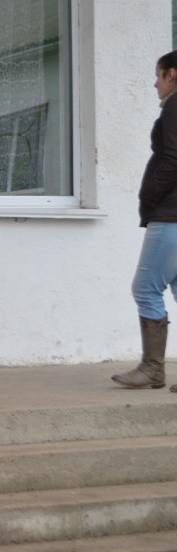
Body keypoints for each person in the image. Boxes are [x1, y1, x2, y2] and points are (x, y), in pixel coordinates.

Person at [113, 50, 177, 393]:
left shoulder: (175, 105)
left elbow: (172, 158)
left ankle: (152, 369)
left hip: (170, 214)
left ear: (172, 74)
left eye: (158, 75)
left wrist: (150, 195)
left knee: (145, 288)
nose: (155, 83)